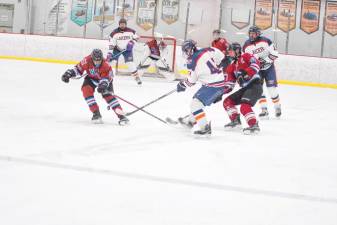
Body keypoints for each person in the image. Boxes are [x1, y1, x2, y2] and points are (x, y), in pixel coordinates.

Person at [61, 49, 129, 125]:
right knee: (86, 90)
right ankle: (96, 114)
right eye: (95, 60)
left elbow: (107, 78)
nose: (97, 62)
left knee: (108, 96)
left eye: (99, 60)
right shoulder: (86, 60)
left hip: (105, 81)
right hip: (91, 78)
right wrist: (69, 74)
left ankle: (122, 116)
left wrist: (103, 85)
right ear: (92, 58)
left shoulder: (106, 65)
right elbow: (78, 69)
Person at [176, 39, 226, 136]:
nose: (186, 53)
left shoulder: (192, 60)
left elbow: (191, 81)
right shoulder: (207, 50)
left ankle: (205, 128)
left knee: (195, 104)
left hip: (213, 85)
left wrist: (182, 85)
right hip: (217, 83)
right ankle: (190, 122)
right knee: (197, 102)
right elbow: (221, 56)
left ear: (190, 49)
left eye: (186, 50)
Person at [223, 42, 262, 134]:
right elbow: (229, 84)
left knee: (244, 106)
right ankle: (236, 121)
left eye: (231, 51)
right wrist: (219, 92)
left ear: (237, 50)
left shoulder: (246, 56)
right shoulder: (231, 66)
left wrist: (245, 73)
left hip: (255, 85)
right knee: (227, 102)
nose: (229, 53)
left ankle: (254, 125)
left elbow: (256, 65)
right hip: (245, 89)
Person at [243, 25, 281, 119]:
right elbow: (245, 59)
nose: (251, 35)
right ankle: (264, 110)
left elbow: (275, 54)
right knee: (259, 89)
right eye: (250, 33)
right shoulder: (246, 45)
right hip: (257, 70)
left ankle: (277, 107)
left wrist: (265, 60)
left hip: (269, 68)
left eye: (253, 33)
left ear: (258, 33)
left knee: (272, 89)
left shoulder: (266, 41)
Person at [107, 18, 142, 85]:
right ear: (119, 24)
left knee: (130, 63)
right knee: (112, 62)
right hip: (117, 49)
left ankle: (137, 77)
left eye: (124, 24)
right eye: (121, 24)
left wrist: (132, 42)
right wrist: (109, 53)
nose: (122, 25)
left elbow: (137, 37)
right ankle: (108, 77)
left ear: (126, 24)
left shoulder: (131, 31)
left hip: (127, 50)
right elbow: (111, 44)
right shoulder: (114, 33)